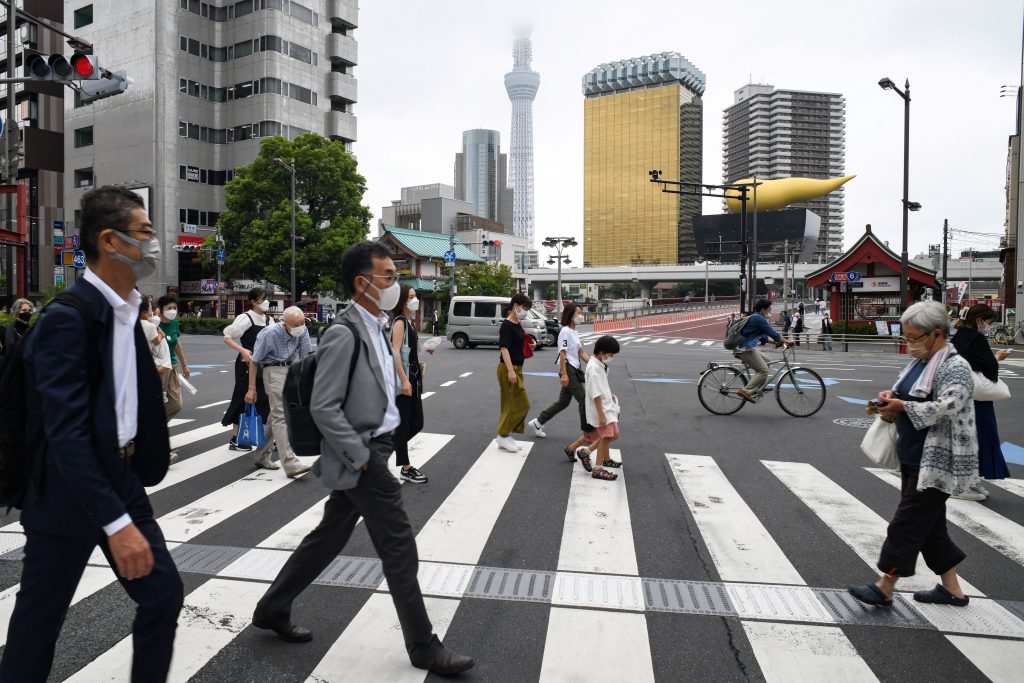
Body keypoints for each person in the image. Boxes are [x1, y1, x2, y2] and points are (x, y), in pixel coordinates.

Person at [252, 241, 474, 675]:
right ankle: (423, 646)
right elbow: (324, 406)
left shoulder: (378, 325)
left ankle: (272, 607)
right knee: (399, 545)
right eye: (389, 276)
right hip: (363, 455)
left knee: (329, 538)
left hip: (378, 446)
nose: (396, 283)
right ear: (362, 283)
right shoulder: (343, 332)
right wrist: (362, 457)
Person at [0, 186, 183, 681]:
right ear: (110, 240)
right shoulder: (69, 319)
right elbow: (67, 432)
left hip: (120, 475)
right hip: (64, 490)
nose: (154, 242)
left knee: (163, 595)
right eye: (145, 232)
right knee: (39, 624)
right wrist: (116, 523)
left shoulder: (127, 312)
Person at [848, 301, 977, 609]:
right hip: (914, 455)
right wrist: (890, 397)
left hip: (937, 461)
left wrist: (903, 406)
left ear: (936, 333)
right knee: (930, 527)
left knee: (907, 524)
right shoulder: (923, 361)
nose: (909, 343)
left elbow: (948, 406)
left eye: (913, 337)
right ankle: (953, 591)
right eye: (905, 337)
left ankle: (885, 585)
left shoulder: (955, 366)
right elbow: (907, 393)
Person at [951, 304, 1012, 501]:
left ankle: (969, 480)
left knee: (969, 438)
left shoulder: (959, 335)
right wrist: (998, 357)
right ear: (979, 321)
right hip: (978, 398)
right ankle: (965, 484)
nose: (989, 327)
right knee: (983, 437)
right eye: (989, 323)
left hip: (962, 395)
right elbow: (988, 366)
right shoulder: (976, 338)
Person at [246, 307, 313, 477]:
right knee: (281, 416)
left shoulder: (302, 330)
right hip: (273, 371)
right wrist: (251, 389)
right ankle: (290, 464)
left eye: (302, 323)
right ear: (284, 324)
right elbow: (254, 361)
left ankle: (261, 456)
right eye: (295, 325)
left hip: (292, 370)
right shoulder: (269, 334)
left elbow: (305, 357)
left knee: (275, 417)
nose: (300, 327)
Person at [528, 304, 593, 460]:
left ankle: (538, 422)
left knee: (563, 402)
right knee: (584, 399)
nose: (581, 315)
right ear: (571, 315)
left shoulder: (574, 332)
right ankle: (589, 431)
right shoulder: (564, 331)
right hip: (569, 370)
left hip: (574, 369)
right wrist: (564, 374)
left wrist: (594, 364)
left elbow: (581, 352)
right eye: (578, 313)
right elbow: (562, 354)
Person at [221, 287, 274, 463]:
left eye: (267, 298)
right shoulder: (246, 317)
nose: (266, 302)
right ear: (252, 301)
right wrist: (243, 350)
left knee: (265, 399)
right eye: (262, 299)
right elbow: (227, 337)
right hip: (246, 363)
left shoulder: (269, 319)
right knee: (244, 398)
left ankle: (264, 437)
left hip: (264, 364)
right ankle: (236, 438)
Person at [390, 284, 429, 484]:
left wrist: (426, 349)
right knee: (405, 423)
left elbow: (409, 351)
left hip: (414, 377)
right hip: (405, 379)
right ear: (401, 300)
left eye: (415, 295)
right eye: (411, 296)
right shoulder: (399, 322)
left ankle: (388, 445)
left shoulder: (410, 322)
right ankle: (406, 467)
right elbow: (395, 352)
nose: (415, 299)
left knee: (417, 422)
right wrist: (404, 380)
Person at [576, 335, 622, 481]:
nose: (611, 357)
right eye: (610, 354)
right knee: (607, 436)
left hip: (606, 406)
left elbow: (601, 387)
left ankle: (587, 451)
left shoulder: (598, 364)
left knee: (612, 435)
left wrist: (609, 395)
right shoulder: (594, 368)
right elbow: (595, 394)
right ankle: (598, 469)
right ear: (602, 352)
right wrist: (601, 415)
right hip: (602, 409)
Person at [496, 292, 535, 452]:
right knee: (519, 404)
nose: (525, 311)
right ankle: (503, 435)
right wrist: (511, 371)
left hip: (517, 368)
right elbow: (504, 348)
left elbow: (517, 342)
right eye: (524, 307)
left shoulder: (517, 323)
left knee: (513, 403)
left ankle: (506, 435)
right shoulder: (506, 325)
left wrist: (531, 345)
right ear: (515, 306)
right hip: (508, 368)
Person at [734, 299, 790, 403]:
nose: (770, 310)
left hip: (747, 347)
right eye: (769, 308)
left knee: (767, 361)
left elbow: (763, 337)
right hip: (743, 349)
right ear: (763, 309)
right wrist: (787, 341)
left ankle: (757, 388)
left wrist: (774, 342)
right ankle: (745, 391)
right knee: (763, 371)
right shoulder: (759, 319)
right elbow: (773, 333)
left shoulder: (757, 317)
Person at [156, 293, 190, 425]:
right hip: (159, 368)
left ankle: (155, 426)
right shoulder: (155, 324)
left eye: (175, 307)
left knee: (176, 405)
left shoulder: (175, 323)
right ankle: (153, 431)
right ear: (161, 309)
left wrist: (185, 365)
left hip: (173, 366)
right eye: (169, 308)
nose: (172, 311)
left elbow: (177, 344)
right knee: (157, 401)